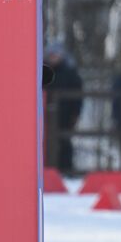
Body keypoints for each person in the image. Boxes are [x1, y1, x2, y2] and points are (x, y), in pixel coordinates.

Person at [43, 42, 83, 174]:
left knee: (65, 143)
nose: (53, 58)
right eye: (51, 55)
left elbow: (77, 96)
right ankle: (47, 170)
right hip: (45, 115)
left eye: (56, 55)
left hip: (65, 115)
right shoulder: (43, 70)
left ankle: (66, 171)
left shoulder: (70, 73)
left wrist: (75, 114)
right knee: (46, 143)